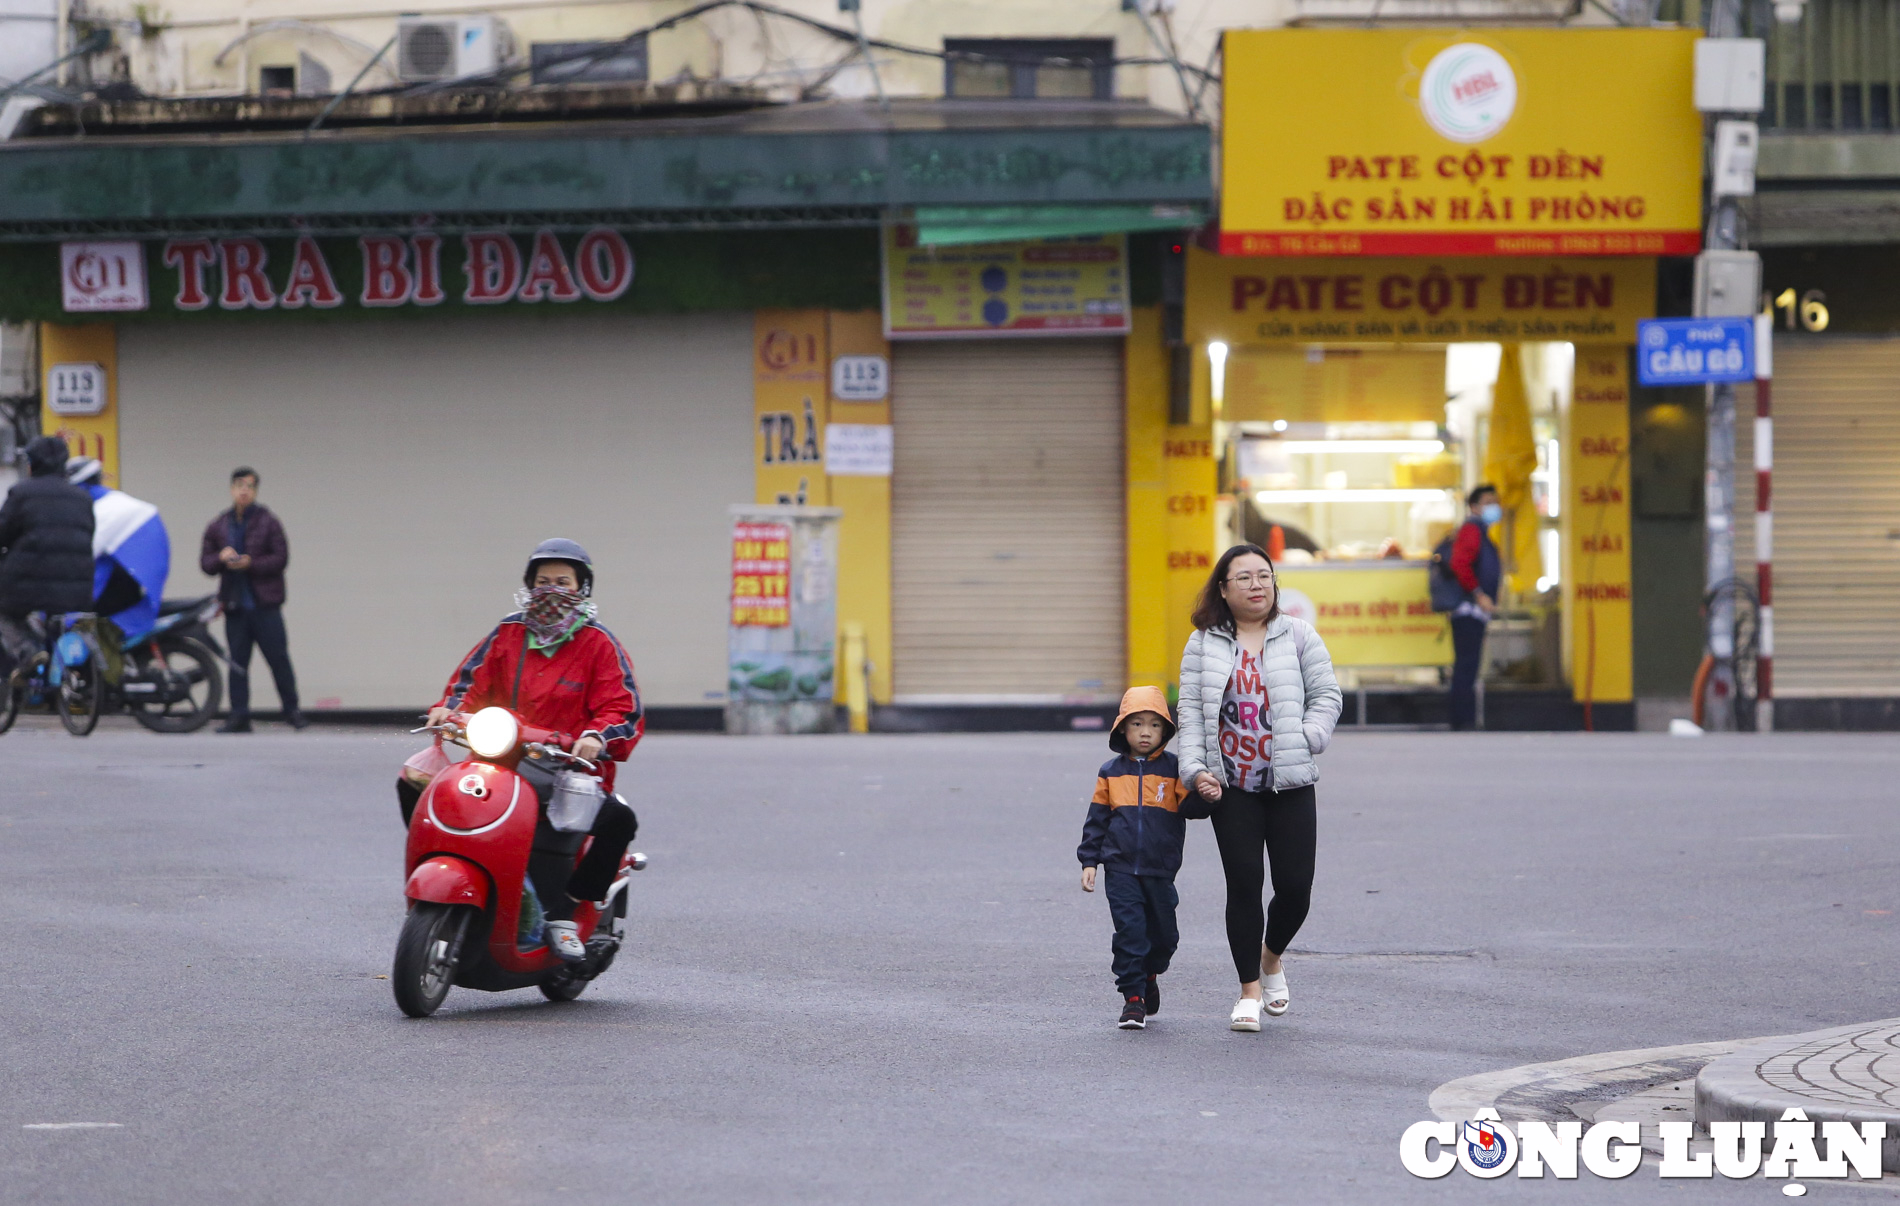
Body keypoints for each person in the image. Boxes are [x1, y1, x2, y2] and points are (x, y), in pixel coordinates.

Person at [419, 538, 644, 962]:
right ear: (528, 585)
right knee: (422, 790)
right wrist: (448, 709)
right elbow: (470, 682)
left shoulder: (599, 644)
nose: (551, 590)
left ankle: (564, 911)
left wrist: (597, 737)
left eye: (563, 581)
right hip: (499, 760)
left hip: (567, 772)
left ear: (582, 588)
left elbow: (622, 709)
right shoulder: (508, 632)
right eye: (542, 582)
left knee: (619, 820)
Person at [1177, 544, 1341, 1033]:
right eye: (1243, 578)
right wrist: (1194, 770)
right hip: (1231, 786)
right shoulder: (1202, 644)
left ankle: (1271, 959)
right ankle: (1249, 990)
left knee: (1295, 890)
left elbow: (1327, 694)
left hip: (1290, 781)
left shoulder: (1299, 636)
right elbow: (1188, 712)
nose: (1256, 585)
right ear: (1223, 590)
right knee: (1244, 885)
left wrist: (1310, 735)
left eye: (1264, 576)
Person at [1076, 686, 1203, 1030]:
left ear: (1166, 730)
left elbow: (1194, 809)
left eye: (1154, 725)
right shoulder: (1110, 772)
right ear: (1122, 730)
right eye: (1136, 724)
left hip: (1160, 869)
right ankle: (1133, 999)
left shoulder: (1177, 769)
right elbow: (1097, 820)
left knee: (1165, 938)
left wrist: (1206, 791)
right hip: (1119, 869)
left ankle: (1150, 974)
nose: (1145, 732)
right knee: (1130, 932)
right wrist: (1090, 861)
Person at [199, 466, 304, 731]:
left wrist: (250, 563)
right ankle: (239, 715)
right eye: (239, 485)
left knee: (278, 659)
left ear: (255, 490)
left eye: (249, 486)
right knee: (237, 663)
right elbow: (206, 563)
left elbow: (281, 559)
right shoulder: (219, 524)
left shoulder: (268, 521)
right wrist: (221, 558)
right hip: (235, 605)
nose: (243, 491)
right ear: (231, 489)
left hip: (264, 605)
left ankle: (292, 712)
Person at [0, 436, 95, 685]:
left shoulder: (22, 493)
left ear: (33, 464)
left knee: (5, 613)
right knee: (55, 615)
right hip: (77, 584)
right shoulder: (82, 497)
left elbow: (4, 531)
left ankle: (29, 653)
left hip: (27, 584)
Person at [68, 458, 169, 643]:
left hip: (123, 579)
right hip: (128, 571)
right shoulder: (110, 500)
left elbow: (84, 555)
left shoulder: (103, 510)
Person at [1447, 484, 1504, 733]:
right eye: (1488, 501)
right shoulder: (1472, 529)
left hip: (1474, 608)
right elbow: (1460, 563)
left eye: (1495, 501)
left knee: (1468, 664)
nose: (1494, 507)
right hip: (1468, 609)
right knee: (1467, 665)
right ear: (1474, 506)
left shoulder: (1481, 531)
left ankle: (1463, 717)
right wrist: (1479, 594)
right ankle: (1463, 719)